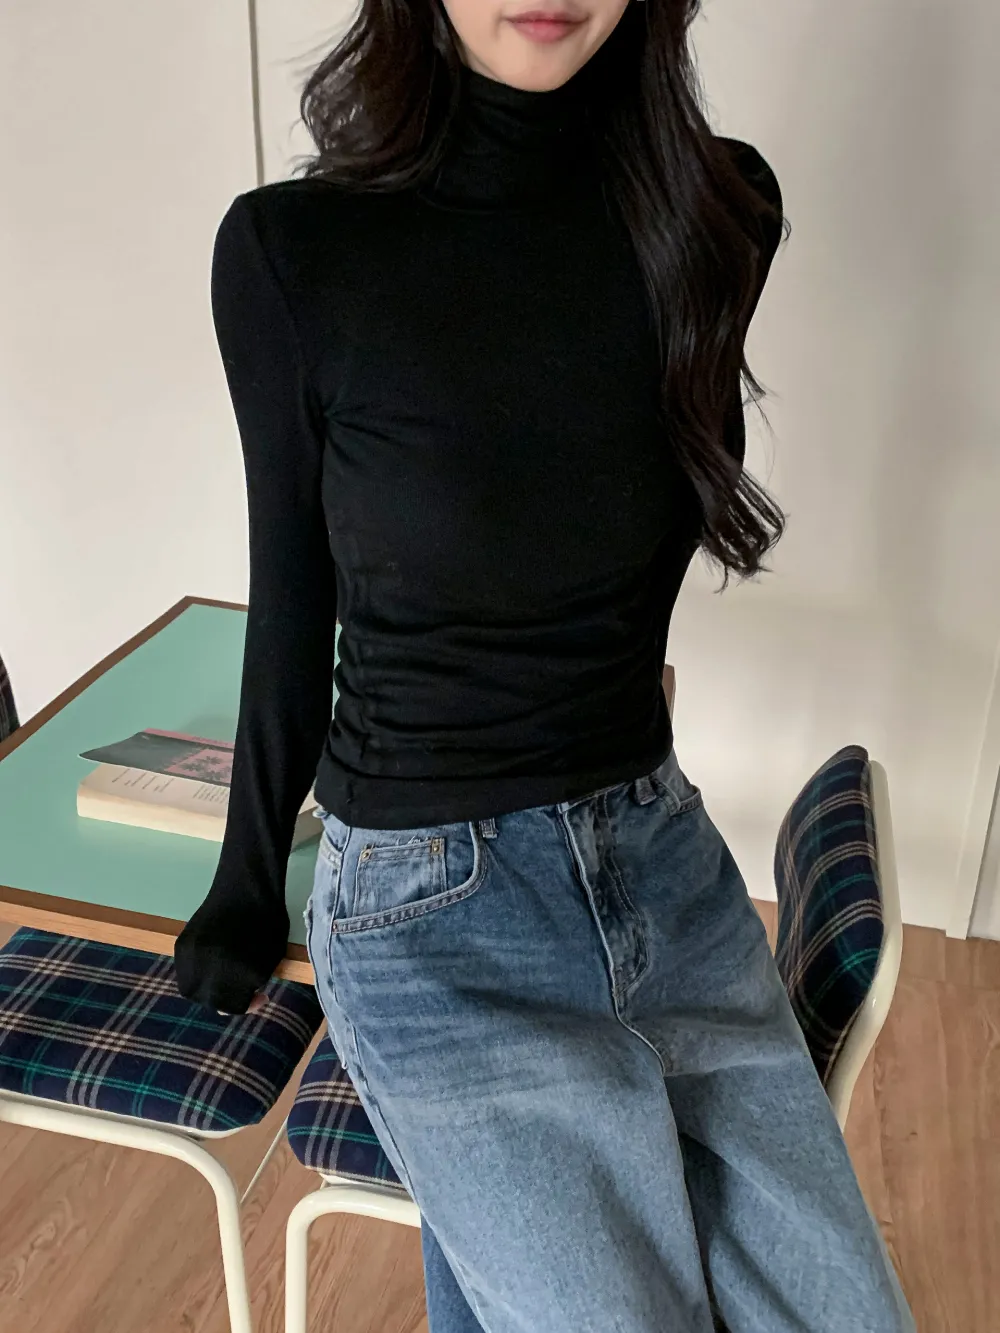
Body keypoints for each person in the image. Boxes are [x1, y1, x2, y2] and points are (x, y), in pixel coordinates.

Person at [175, 2, 915, 1329]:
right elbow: (293, 599)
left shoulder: (718, 216)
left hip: (662, 866)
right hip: (431, 909)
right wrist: (244, 880)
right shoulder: (297, 255)